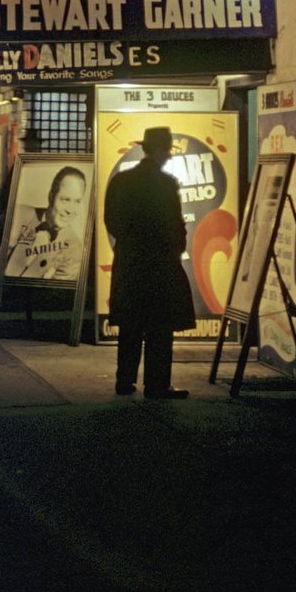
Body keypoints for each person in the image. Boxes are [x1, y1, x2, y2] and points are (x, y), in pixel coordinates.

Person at [104, 125, 195, 399]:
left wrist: (130, 242)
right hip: (159, 265)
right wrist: (174, 248)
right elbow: (174, 225)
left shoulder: (121, 181)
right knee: (159, 328)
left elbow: (111, 220)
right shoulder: (166, 184)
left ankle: (125, 380)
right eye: (167, 150)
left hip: (130, 262)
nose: (168, 155)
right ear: (158, 150)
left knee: (130, 325)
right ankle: (156, 384)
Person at [4, 165, 87, 281]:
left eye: (77, 201)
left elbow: (53, 294)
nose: (70, 210)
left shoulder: (74, 251)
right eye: (65, 199)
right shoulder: (18, 214)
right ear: (51, 196)